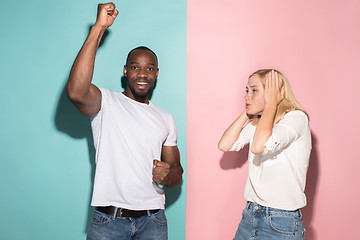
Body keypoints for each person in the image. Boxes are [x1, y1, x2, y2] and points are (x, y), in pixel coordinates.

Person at [67, 3, 183, 240]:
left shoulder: (166, 118)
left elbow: (177, 172)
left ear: (156, 73)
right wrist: (99, 27)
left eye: (149, 68)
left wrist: (168, 176)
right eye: (135, 67)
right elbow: (76, 91)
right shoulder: (106, 103)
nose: (142, 74)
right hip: (110, 222)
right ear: (125, 71)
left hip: (154, 221)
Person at [218, 69, 311, 240]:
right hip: (251, 214)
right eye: (246, 90)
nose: (247, 96)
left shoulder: (296, 118)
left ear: (273, 93)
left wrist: (270, 105)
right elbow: (225, 145)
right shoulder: (258, 123)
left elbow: (259, 146)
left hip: (280, 221)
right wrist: (247, 112)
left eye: (254, 90)